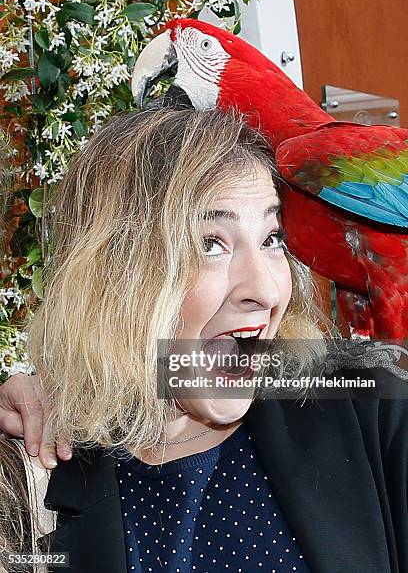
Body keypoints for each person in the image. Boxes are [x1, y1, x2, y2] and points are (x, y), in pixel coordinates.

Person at [0, 106, 407, 573]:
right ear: (114, 275)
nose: (266, 290)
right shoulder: (51, 463)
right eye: (210, 244)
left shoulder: (372, 401)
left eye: (272, 238)